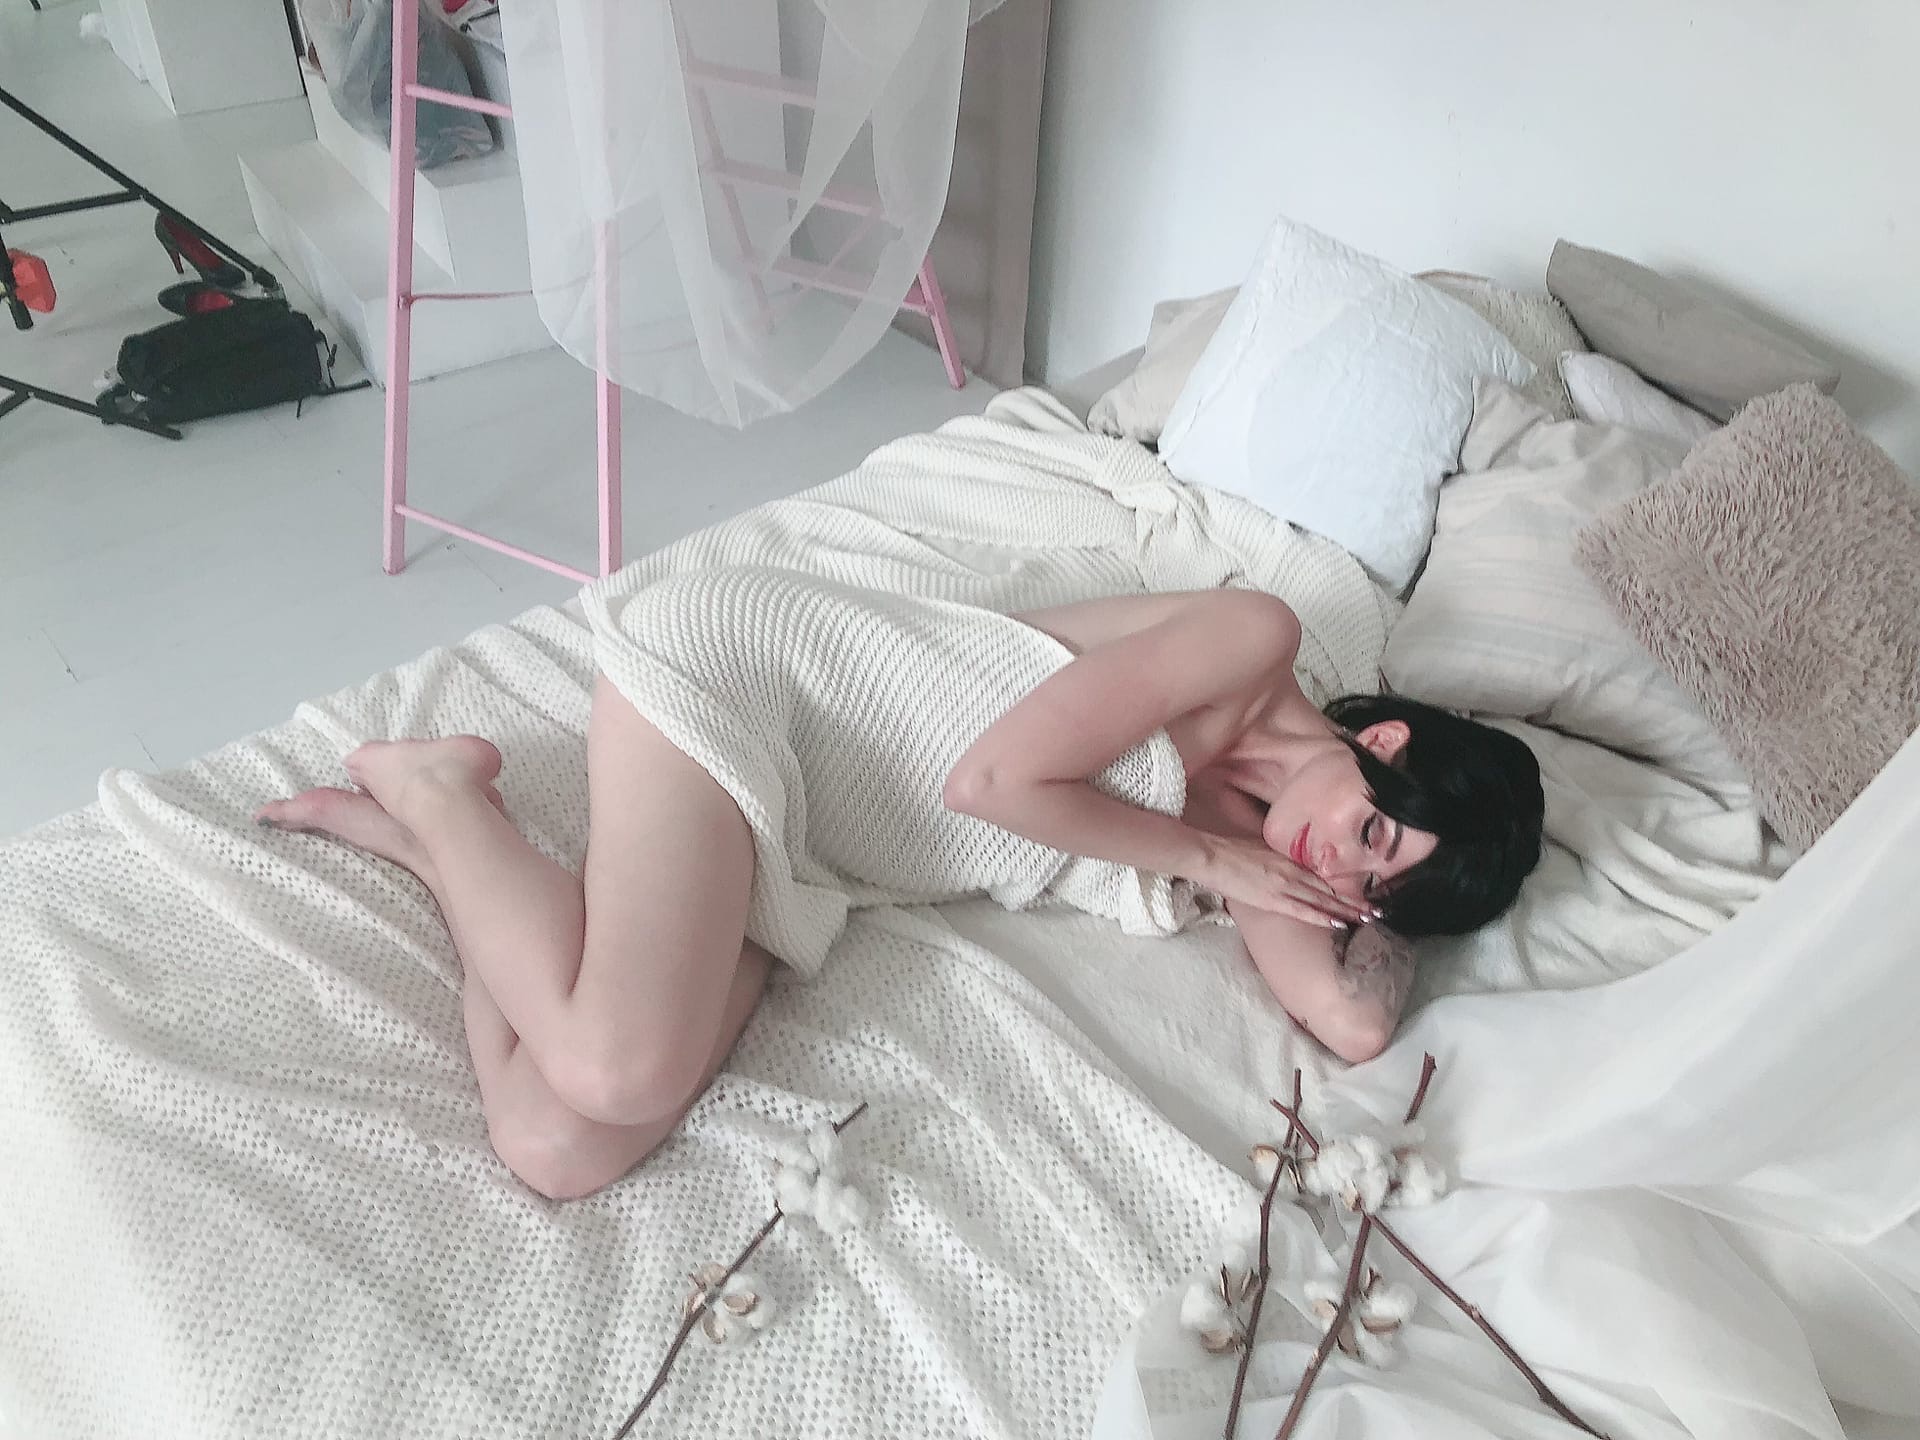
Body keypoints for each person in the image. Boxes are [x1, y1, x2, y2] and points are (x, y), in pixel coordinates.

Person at [256, 581, 1542, 1200]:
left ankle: (453, 846)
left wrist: (1382, 914)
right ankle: (435, 793)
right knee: (618, 1069)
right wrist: (1212, 860)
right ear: (1384, 742)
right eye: (1376, 830)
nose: (1334, 866)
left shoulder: (1261, 843)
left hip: (815, 847)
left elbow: (1350, 1022)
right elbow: (990, 779)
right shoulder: (1251, 641)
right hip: (763, 688)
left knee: (555, 1146)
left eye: (1372, 885)